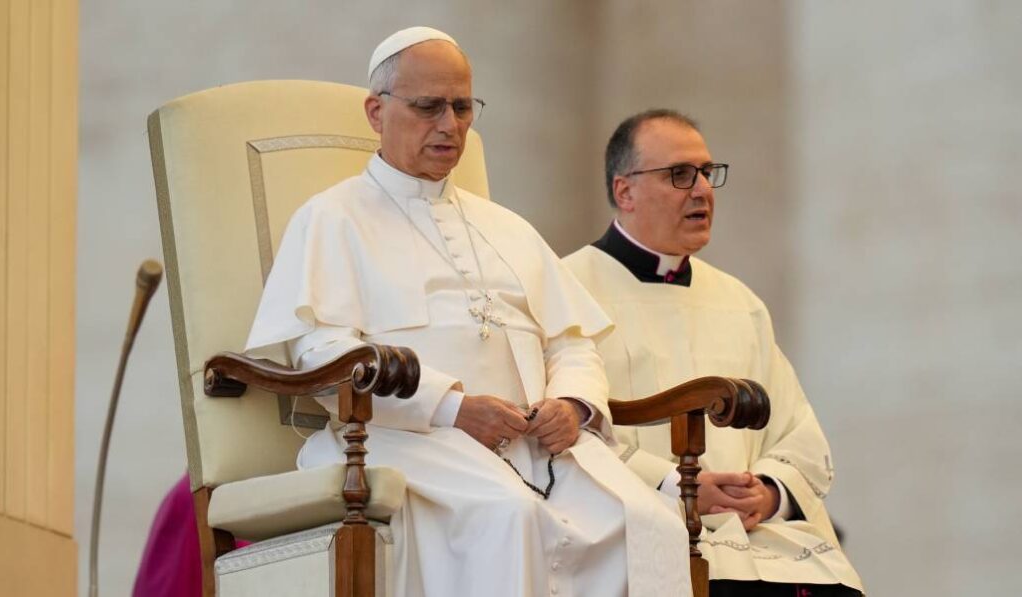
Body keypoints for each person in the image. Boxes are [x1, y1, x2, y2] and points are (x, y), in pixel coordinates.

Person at [244, 28, 691, 597]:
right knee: (507, 515)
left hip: (537, 446)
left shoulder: (507, 226)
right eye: (429, 106)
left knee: (650, 522)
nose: (450, 125)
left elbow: (573, 342)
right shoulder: (330, 219)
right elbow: (322, 356)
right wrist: (452, 407)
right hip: (407, 440)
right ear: (376, 112)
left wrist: (573, 404)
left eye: (462, 107)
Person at [564, 109, 865, 596]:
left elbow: (797, 432)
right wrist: (677, 487)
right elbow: (567, 433)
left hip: (751, 536)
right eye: (680, 175)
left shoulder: (739, 302)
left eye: (707, 172)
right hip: (633, 529)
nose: (702, 189)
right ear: (625, 191)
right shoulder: (566, 290)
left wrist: (767, 492)